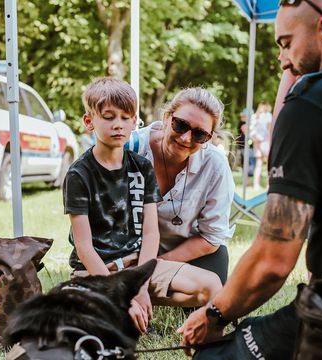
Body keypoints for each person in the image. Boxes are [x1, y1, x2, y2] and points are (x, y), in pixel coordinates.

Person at [179, 1, 322, 359]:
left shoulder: (313, 100)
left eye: (286, 43)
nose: (282, 60)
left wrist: (214, 314)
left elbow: (272, 262)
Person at [63, 78, 222, 334]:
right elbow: (83, 246)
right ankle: (108, 305)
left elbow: (151, 233)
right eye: (108, 117)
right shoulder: (78, 174)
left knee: (213, 285)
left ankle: (129, 307)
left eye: (126, 117)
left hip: (139, 266)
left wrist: (140, 284)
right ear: (89, 121)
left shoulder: (142, 166)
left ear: (135, 120)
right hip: (97, 271)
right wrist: (121, 293)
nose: (118, 124)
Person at [126, 88, 234, 284]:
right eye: (181, 125)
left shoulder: (215, 165)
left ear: (209, 137)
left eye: (199, 135)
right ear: (167, 117)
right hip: (131, 247)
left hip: (189, 251)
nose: (186, 138)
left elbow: (212, 237)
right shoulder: (132, 148)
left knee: (210, 297)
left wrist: (157, 265)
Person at [249, 102, 272, 191]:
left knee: (258, 164)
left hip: (256, 141)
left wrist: (255, 138)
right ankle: (268, 185)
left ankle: (256, 185)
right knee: (268, 165)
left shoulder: (254, 116)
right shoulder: (268, 115)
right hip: (265, 141)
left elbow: (251, 130)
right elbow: (269, 129)